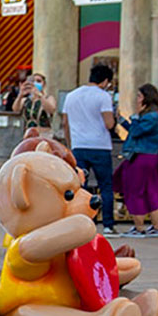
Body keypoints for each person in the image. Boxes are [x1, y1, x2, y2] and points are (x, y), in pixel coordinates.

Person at [62, 63, 119, 234]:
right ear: (105, 81)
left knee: (81, 186)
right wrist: (116, 119)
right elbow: (109, 123)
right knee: (106, 186)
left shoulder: (71, 96)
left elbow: (65, 123)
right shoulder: (103, 96)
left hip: (79, 145)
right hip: (100, 146)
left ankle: (83, 221)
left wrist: (71, 143)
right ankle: (108, 224)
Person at [116, 83, 158, 237]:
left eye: (139, 96)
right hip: (150, 157)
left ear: (147, 97)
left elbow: (137, 131)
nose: (137, 99)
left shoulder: (150, 116)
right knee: (150, 191)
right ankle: (156, 227)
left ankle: (139, 227)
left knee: (134, 191)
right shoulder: (154, 115)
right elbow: (135, 130)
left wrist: (134, 116)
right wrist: (123, 122)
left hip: (141, 157)